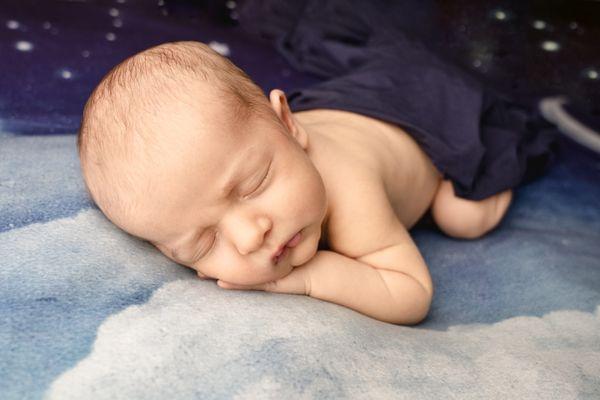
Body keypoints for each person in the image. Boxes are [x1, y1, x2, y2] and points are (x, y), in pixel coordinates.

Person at [77, 39, 557, 326]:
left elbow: (411, 294)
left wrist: (310, 278)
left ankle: (496, 161)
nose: (250, 236)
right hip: (347, 113)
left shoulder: (350, 192)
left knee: (462, 217)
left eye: (253, 184)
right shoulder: (252, 156)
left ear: (289, 125)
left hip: (431, 114)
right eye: (204, 241)